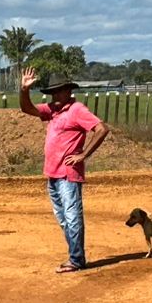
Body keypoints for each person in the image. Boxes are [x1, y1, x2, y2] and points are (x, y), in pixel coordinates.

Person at [18, 68, 110, 273]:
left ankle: (76, 259)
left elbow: (102, 129)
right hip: (52, 173)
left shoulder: (77, 110)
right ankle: (75, 256)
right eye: (53, 92)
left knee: (72, 216)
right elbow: (27, 109)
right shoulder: (53, 110)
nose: (56, 95)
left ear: (68, 91)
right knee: (63, 218)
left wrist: (83, 155)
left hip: (68, 174)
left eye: (59, 91)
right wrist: (24, 89)